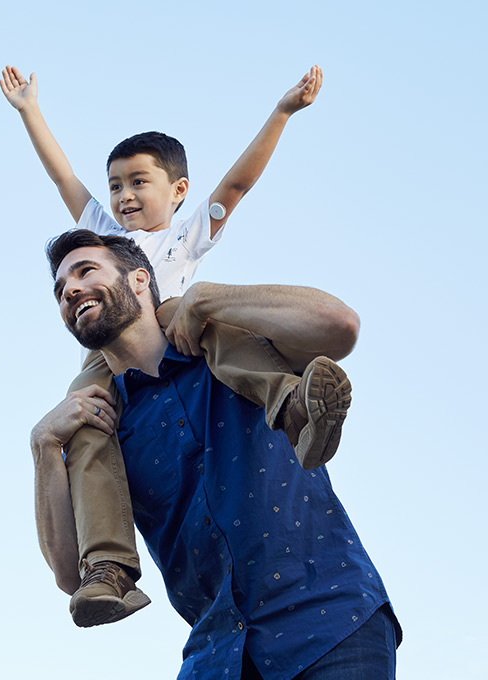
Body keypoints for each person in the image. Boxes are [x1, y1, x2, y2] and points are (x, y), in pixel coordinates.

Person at [1, 65, 345, 626]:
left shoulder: (184, 236)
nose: (124, 195)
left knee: (215, 330)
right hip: (110, 351)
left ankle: (293, 404)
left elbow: (236, 185)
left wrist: (281, 113)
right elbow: (63, 178)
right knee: (87, 419)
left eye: (139, 182)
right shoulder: (101, 235)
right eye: (115, 185)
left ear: (178, 190)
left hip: (174, 323)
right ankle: (107, 567)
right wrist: (29, 111)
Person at [31, 230, 401, 679]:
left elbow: (340, 326)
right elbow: (71, 577)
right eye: (60, 289)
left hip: (328, 621)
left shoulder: (234, 347)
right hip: (215, 655)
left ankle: (297, 409)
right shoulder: (99, 425)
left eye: (86, 270)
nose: (69, 289)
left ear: (140, 280)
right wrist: (45, 446)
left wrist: (208, 299)